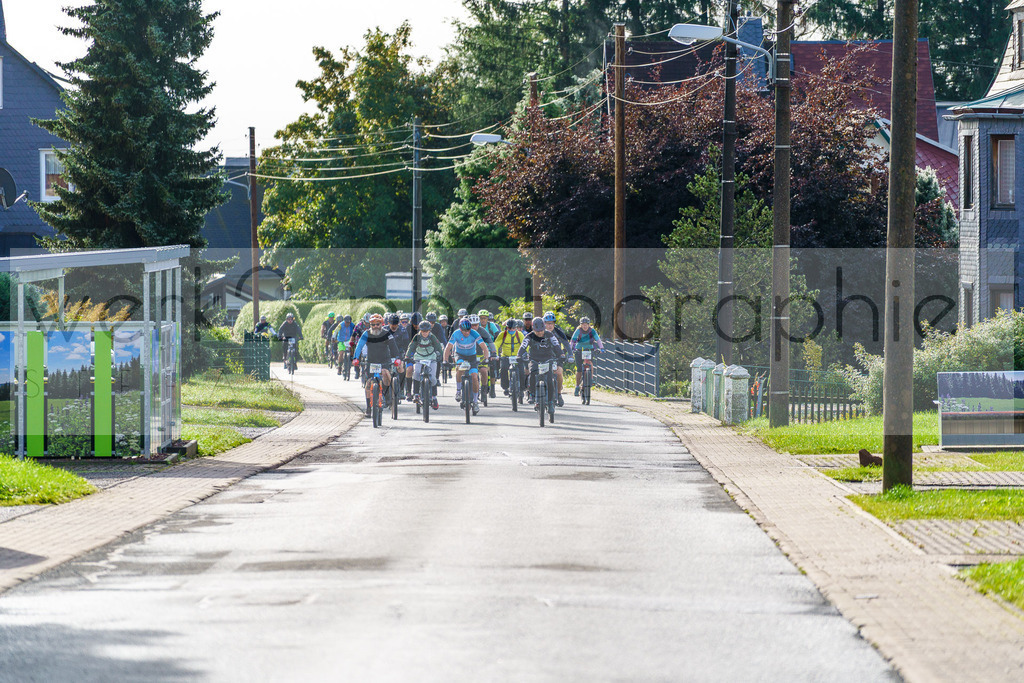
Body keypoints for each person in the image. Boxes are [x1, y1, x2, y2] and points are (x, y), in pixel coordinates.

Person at [351, 314, 402, 417]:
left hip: (384, 361)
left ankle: (387, 396)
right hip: (371, 361)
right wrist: (355, 358)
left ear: (381, 324)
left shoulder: (386, 333)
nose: (375, 327)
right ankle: (368, 408)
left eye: (377, 324)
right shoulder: (366, 334)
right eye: (373, 325)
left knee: (386, 374)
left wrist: (397, 358)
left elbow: (393, 346)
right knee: (368, 384)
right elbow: (359, 346)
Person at [517, 316, 565, 411]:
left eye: (541, 330)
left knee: (550, 379)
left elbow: (556, 345)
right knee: (532, 374)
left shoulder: (550, 335)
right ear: (533, 329)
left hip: (548, 359)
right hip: (534, 359)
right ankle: (532, 394)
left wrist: (561, 354)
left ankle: (550, 402)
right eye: (537, 331)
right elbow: (523, 346)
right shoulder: (529, 336)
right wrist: (519, 355)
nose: (540, 333)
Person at [443, 317, 489, 414]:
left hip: (472, 356)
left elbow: (484, 347)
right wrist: (445, 360)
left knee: (475, 376)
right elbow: (448, 348)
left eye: (468, 330)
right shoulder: (456, 333)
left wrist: (486, 358)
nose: (467, 332)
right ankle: (458, 391)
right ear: (460, 329)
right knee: (460, 368)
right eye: (464, 330)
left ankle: (475, 401)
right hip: (460, 355)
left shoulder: (474, 333)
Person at [405, 320, 444, 410]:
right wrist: (407, 356)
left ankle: (434, 397)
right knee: (416, 373)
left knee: (433, 378)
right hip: (419, 357)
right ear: (420, 330)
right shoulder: (417, 337)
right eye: (423, 331)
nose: (425, 333)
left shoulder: (432, 337)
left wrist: (441, 356)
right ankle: (416, 394)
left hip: (431, 358)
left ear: (429, 330)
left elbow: (438, 347)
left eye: (426, 331)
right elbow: (411, 347)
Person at [569, 316, 604, 396]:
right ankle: (577, 386)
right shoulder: (578, 331)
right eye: (583, 324)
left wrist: (601, 348)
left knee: (590, 363)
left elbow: (598, 340)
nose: (584, 326)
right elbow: (572, 341)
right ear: (580, 325)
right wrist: (570, 350)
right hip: (579, 350)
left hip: (589, 350)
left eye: (586, 324)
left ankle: (591, 379)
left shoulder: (592, 331)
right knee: (579, 370)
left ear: (589, 325)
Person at [468, 314, 498, 399]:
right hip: (469, 355)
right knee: (471, 373)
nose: (474, 327)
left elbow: (490, 342)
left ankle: (484, 389)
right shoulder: (465, 331)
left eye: (476, 325)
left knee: (484, 371)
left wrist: (493, 352)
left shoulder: (482, 331)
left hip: (481, 354)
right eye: (472, 325)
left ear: (479, 324)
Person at [543, 311, 570, 405]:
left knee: (559, 373)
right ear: (544, 324)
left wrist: (569, 354)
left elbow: (566, 343)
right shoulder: (540, 332)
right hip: (544, 357)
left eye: (552, 323)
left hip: (557, 357)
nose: (550, 325)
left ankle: (558, 394)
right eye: (548, 323)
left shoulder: (558, 332)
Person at [494, 318, 525, 396]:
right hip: (506, 356)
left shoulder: (520, 334)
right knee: (503, 369)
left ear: (516, 328)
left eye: (513, 328)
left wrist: (525, 353)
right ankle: (505, 387)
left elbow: (525, 345)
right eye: (509, 328)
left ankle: (522, 389)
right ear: (507, 327)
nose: (511, 330)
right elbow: (496, 344)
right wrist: (496, 354)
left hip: (518, 356)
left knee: (522, 372)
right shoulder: (502, 334)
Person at [387, 314, 412, 399]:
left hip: (399, 353)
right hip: (387, 354)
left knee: (401, 368)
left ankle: (401, 390)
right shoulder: (384, 330)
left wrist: (406, 355)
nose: (394, 326)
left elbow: (406, 344)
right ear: (388, 323)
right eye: (392, 324)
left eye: (396, 324)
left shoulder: (403, 330)